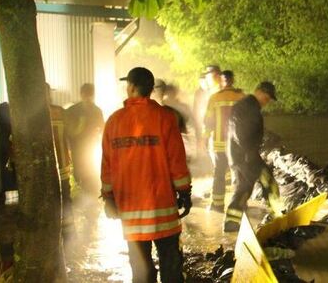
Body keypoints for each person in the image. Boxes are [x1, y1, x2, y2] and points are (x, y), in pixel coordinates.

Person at [101, 67, 192, 283]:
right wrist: (184, 192)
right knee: (170, 265)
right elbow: (177, 161)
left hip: (131, 213)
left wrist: (108, 197)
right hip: (163, 210)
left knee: (141, 270)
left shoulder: (113, 121)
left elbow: (107, 166)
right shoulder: (165, 118)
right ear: (151, 90)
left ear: (131, 87)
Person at [223, 81, 284, 232]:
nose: (267, 101)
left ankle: (231, 223)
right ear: (258, 91)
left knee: (244, 188)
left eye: (269, 99)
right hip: (246, 156)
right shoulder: (248, 107)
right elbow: (241, 133)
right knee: (269, 183)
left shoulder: (247, 106)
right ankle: (277, 216)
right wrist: (251, 155)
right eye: (267, 96)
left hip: (239, 155)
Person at [203, 70, 245, 212]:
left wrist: (205, 137)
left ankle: (217, 205)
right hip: (237, 143)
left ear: (221, 81)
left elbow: (208, 121)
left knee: (219, 173)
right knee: (239, 173)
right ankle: (239, 205)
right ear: (233, 80)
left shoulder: (214, 98)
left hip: (220, 143)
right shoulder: (242, 97)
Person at [65, 83, 104, 194]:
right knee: (80, 174)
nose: (88, 99)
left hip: (89, 149)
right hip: (78, 149)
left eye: (90, 95)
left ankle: (89, 194)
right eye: (86, 95)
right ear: (81, 95)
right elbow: (68, 132)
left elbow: (102, 128)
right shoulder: (72, 111)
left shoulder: (96, 111)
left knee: (90, 174)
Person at [46, 84, 74, 235]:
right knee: (63, 197)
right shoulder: (59, 111)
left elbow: (71, 135)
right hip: (59, 164)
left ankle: (63, 229)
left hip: (57, 165)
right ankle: (66, 229)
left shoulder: (59, 112)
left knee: (63, 197)